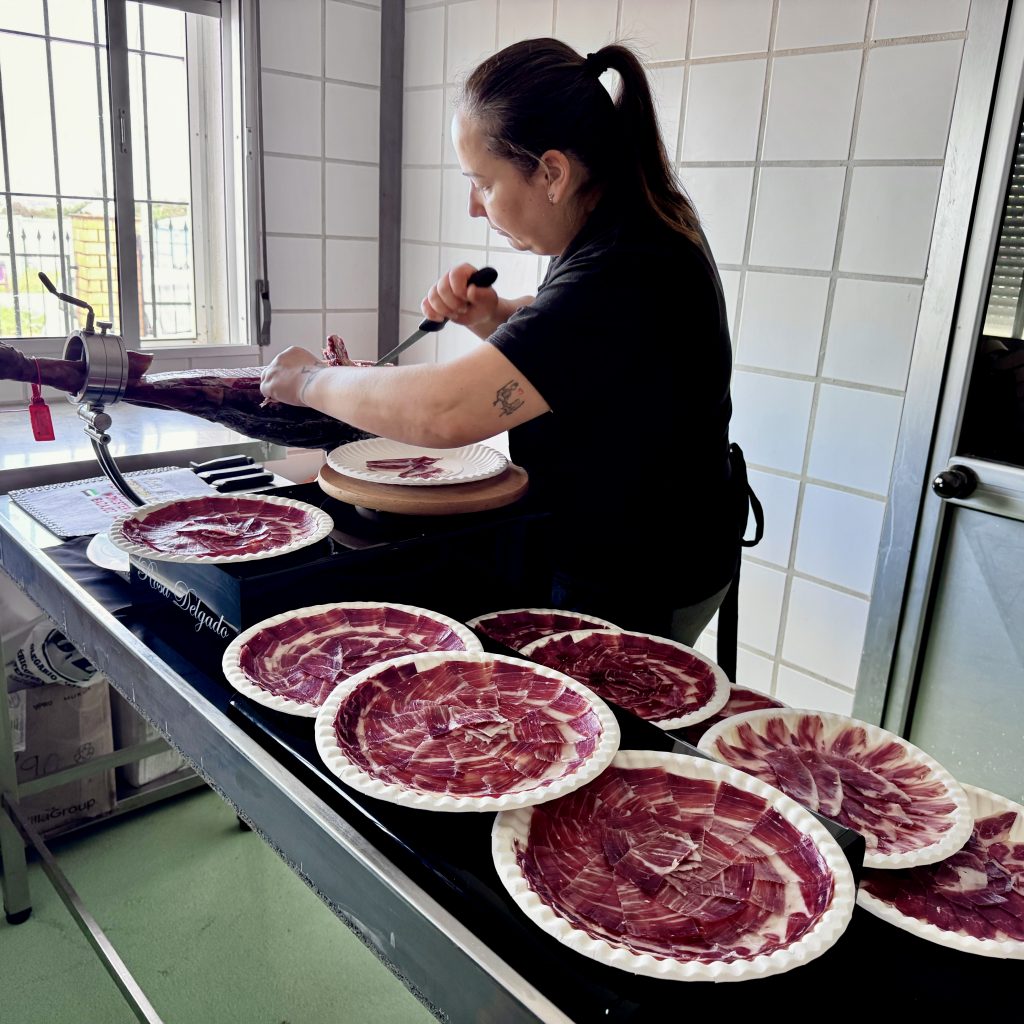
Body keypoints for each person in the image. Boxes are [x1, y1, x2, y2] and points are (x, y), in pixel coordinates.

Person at [260, 38, 743, 645]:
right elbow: (589, 351)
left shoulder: (628, 264)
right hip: (631, 542)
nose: (472, 207)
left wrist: (310, 383)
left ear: (552, 173)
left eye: (482, 184)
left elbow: (445, 410)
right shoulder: (624, 220)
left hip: (644, 569)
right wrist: (496, 317)